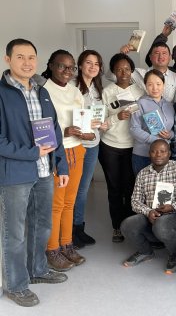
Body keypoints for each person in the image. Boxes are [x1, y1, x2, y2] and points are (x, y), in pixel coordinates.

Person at [0, 38, 68, 307]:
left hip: (44, 171)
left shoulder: (42, 90)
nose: (27, 63)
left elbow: (54, 129)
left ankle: (37, 270)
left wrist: (60, 164)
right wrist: (31, 153)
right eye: (20, 57)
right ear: (8, 60)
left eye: (31, 57)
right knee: (14, 233)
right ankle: (16, 285)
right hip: (15, 173)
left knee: (42, 225)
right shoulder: (2, 93)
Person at [42, 50, 92, 271]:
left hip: (77, 150)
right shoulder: (42, 91)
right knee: (56, 204)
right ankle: (52, 249)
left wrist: (87, 131)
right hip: (57, 153)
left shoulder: (75, 91)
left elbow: (84, 120)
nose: (67, 71)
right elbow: (41, 130)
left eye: (71, 67)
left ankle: (67, 244)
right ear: (51, 65)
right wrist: (65, 131)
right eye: (62, 66)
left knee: (70, 203)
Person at [121, 140, 176, 273]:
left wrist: (174, 206)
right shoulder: (143, 173)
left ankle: (175, 254)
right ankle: (145, 252)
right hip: (151, 216)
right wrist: (148, 211)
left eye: (162, 151)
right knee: (126, 225)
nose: (158, 155)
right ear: (149, 154)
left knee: (161, 225)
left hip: (174, 218)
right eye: (154, 151)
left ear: (169, 153)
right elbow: (135, 201)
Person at [99, 53, 145, 243]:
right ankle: (117, 226)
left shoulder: (140, 91)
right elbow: (100, 122)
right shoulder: (107, 91)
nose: (123, 72)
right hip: (110, 145)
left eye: (127, 68)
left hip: (133, 146)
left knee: (131, 188)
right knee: (114, 188)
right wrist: (116, 117)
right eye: (119, 69)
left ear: (132, 70)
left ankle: (130, 225)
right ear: (114, 71)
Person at [71, 49, 106, 249]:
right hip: (76, 145)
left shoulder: (97, 88)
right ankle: (69, 232)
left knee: (83, 189)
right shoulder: (72, 87)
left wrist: (102, 124)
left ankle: (78, 228)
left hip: (93, 144)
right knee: (73, 189)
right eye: (88, 62)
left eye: (96, 64)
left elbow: (98, 116)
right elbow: (70, 117)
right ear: (81, 65)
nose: (92, 67)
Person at [130, 69, 175, 175]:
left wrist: (169, 135)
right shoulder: (139, 103)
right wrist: (156, 141)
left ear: (164, 85)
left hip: (163, 156)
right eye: (150, 84)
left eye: (158, 84)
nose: (155, 88)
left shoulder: (169, 105)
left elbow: (172, 130)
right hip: (143, 155)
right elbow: (134, 129)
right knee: (143, 190)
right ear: (145, 86)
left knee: (162, 189)